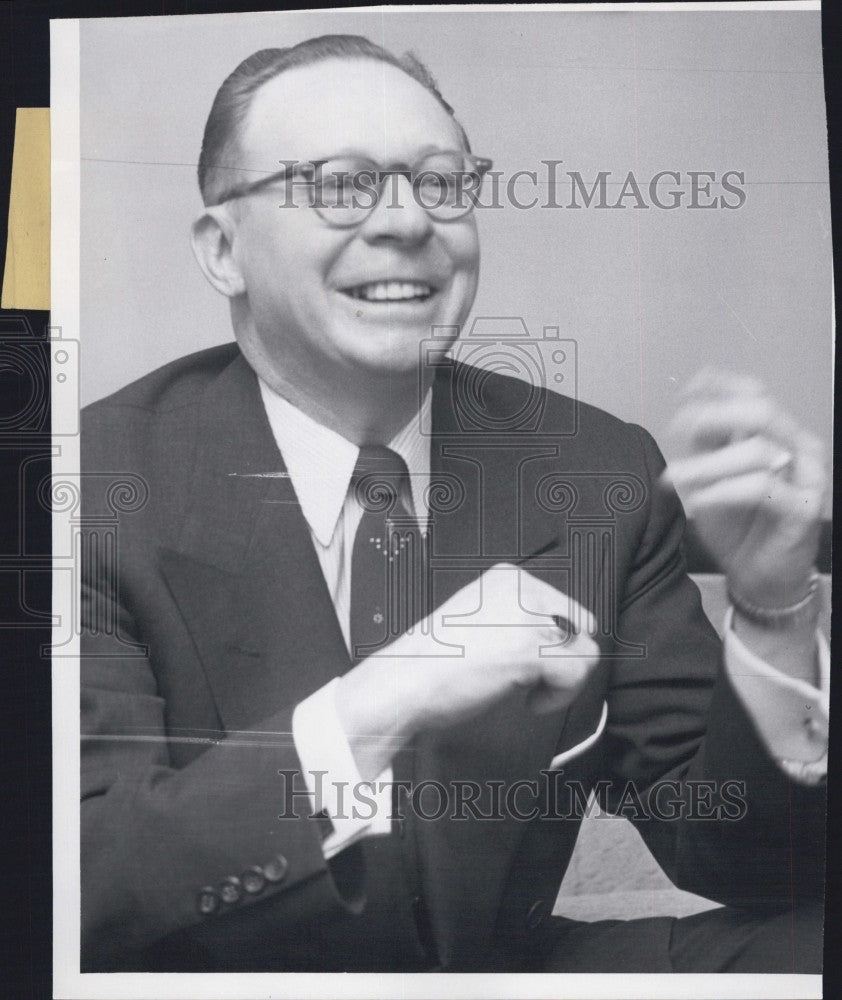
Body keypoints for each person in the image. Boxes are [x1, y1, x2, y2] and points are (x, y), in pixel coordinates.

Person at [80, 34, 827, 973]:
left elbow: (744, 856)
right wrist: (376, 705)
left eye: (442, 184)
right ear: (222, 249)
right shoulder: (85, 482)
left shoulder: (595, 469)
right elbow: (82, 881)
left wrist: (772, 611)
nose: (407, 223)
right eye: (341, 184)